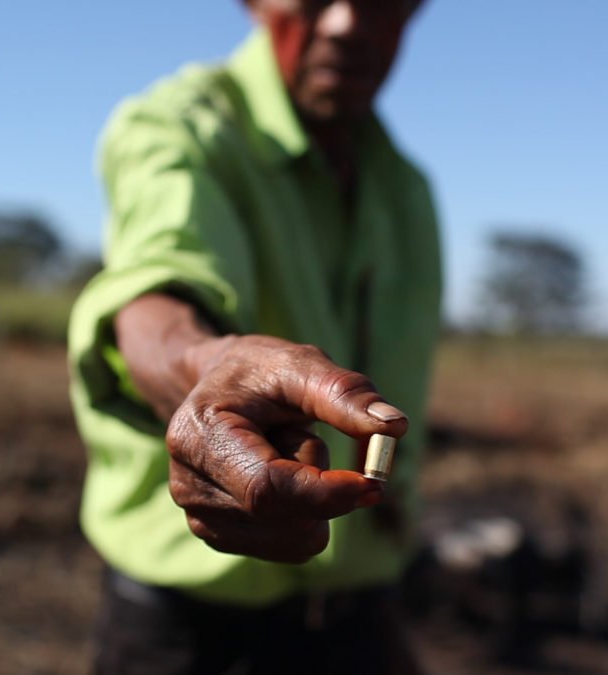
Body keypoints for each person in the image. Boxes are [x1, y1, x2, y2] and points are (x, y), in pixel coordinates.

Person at [68, 1, 439, 672]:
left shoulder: (406, 190)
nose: (346, 21)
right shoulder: (180, 128)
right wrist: (205, 371)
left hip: (359, 613)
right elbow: (160, 287)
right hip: (188, 631)